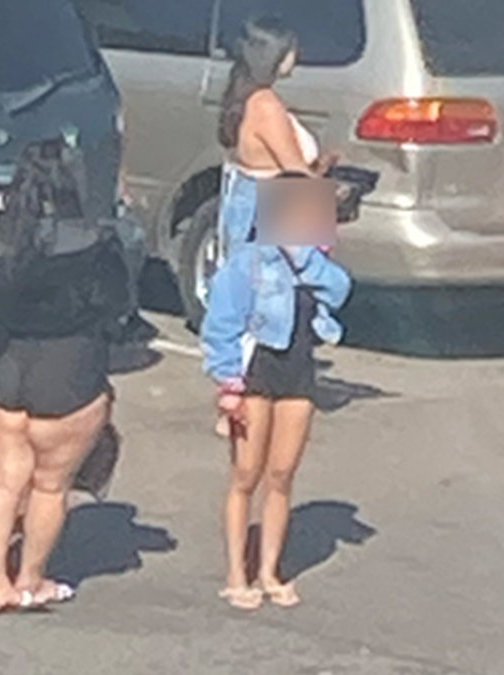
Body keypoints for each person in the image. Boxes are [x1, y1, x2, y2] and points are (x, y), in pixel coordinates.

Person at [0, 137, 132, 613]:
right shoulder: (98, 241)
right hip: (70, 377)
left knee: (1, 483)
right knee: (49, 486)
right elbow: (119, 310)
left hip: (1, 370)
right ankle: (30, 580)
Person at [201, 173, 352, 610]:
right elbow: (221, 325)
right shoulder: (247, 261)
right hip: (254, 374)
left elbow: (340, 291)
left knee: (282, 476)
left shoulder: (314, 261)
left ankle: (269, 570)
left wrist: (303, 254)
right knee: (246, 475)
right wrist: (228, 384)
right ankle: (236, 573)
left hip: (298, 372)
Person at [212, 16, 333, 439]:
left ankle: (236, 393)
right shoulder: (266, 104)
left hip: (252, 199)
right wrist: (326, 184)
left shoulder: (246, 96)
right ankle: (242, 400)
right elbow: (294, 171)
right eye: (289, 49)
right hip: (276, 205)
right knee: (270, 308)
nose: (296, 57)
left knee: (247, 308)